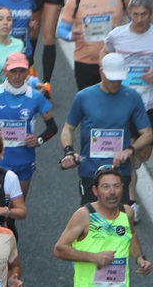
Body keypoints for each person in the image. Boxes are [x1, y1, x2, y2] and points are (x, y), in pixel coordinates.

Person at [60, 56, 152, 213]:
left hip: (120, 172)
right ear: (101, 72)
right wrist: (68, 151)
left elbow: (148, 134)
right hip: (91, 172)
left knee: (118, 226)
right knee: (91, 224)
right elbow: (68, 128)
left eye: (119, 78)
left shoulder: (132, 97)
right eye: (112, 78)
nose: (116, 82)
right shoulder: (84, 97)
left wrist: (130, 150)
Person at [0, 62, 54, 199]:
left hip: (24, 159)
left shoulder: (35, 96)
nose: (17, 76)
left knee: (16, 208)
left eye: (21, 71)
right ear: (5, 72)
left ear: (27, 72)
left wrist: (39, 140)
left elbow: (52, 127)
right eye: (13, 71)